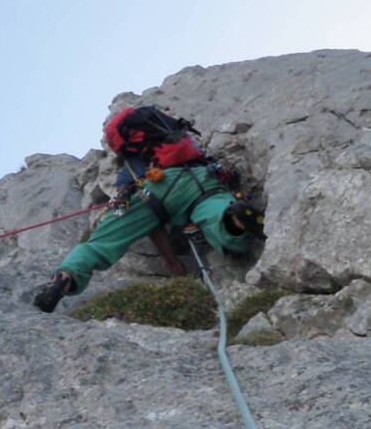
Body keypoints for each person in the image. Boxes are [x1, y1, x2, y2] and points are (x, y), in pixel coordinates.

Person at [34, 105, 264, 312]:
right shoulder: (183, 142)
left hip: (156, 189)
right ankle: (233, 220)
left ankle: (66, 277)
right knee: (214, 210)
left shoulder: (131, 163)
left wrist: (171, 261)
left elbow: (152, 221)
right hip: (201, 180)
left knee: (102, 242)